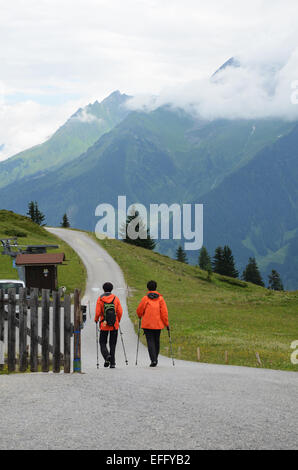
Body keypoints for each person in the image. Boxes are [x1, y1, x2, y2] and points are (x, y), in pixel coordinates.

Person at [136, 280, 169, 367]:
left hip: (147, 324)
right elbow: (164, 313)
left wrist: (140, 315)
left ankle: (153, 359)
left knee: (150, 341)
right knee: (156, 341)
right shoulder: (161, 299)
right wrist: (166, 324)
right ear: (156, 287)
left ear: (148, 288)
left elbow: (139, 310)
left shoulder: (145, 298)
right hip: (158, 324)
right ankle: (155, 358)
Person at [94, 282, 123, 368]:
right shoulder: (115, 298)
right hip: (114, 324)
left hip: (104, 324)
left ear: (103, 289)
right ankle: (112, 363)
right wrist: (118, 320)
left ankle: (107, 356)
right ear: (112, 289)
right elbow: (120, 311)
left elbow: (98, 312)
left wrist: (96, 319)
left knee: (102, 342)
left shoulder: (100, 299)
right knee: (112, 344)